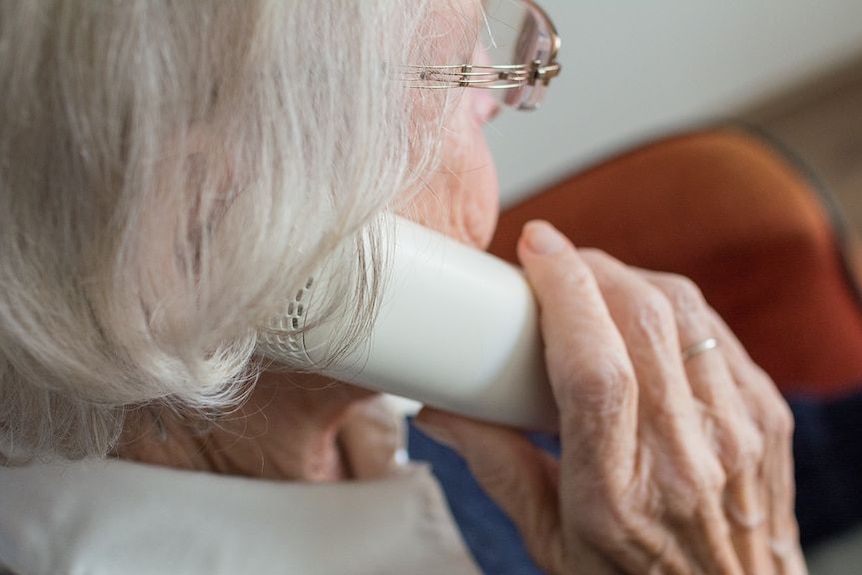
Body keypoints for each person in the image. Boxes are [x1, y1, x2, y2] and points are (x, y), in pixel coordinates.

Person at [0, 1, 806, 573]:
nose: (504, 103)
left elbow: (742, 464)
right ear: (209, 230)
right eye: (470, 74)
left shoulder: (369, 399)